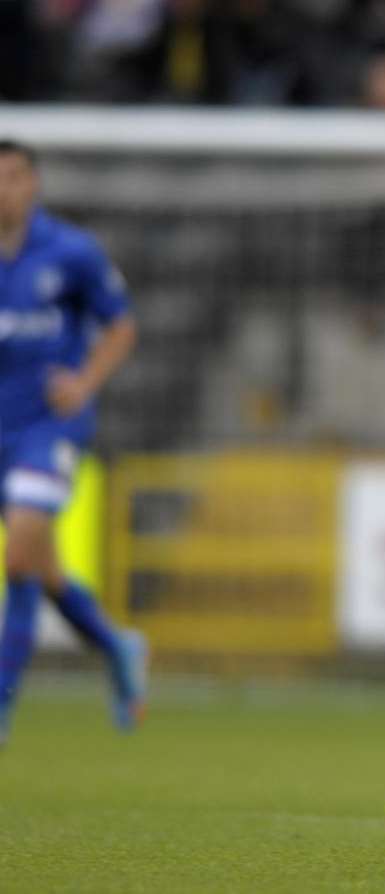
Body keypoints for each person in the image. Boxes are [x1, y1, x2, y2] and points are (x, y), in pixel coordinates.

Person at [0, 140, 146, 748]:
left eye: (13, 176)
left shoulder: (72, 251)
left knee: (22, 546)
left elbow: (122, 324)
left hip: (50, 426)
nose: (3, 188)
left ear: (34, 183)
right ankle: (116, 647)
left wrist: (84, 381)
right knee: (44, 567)